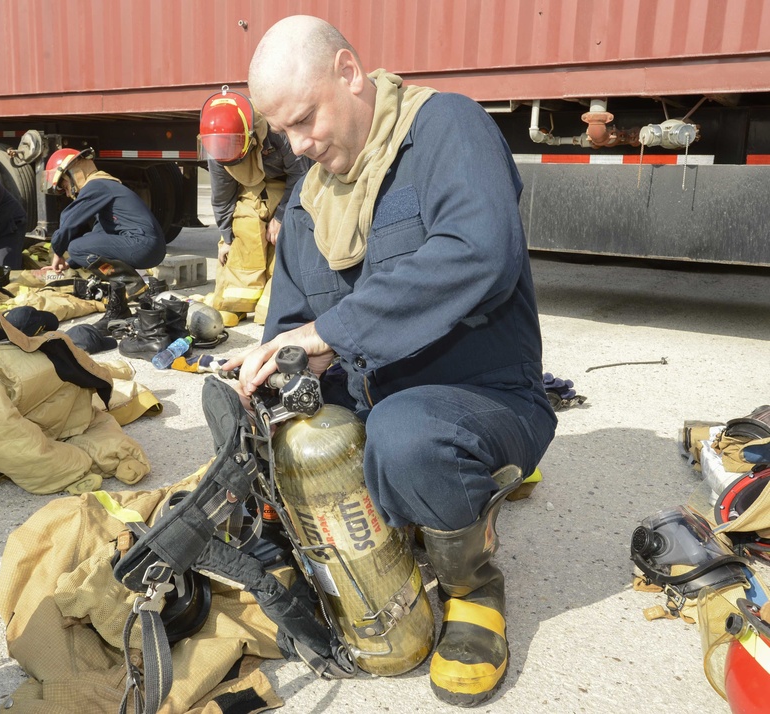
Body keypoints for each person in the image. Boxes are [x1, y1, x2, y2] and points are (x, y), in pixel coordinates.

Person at [226, 15, 557, 706]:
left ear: (349, 73)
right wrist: (280, 368)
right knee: (249, 415)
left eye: (306, 119)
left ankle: (472, 586)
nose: (298, 145)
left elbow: (480, 252)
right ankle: (397, 517)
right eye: (281, 132)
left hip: (483, 396)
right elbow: (292, 326)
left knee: (406, 437)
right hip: (377, 404)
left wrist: (334, 333)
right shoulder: (310, 206)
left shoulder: (448, 130)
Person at [198, 87, 311, 323]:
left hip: (292, 187)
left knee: (287, 233)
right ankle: (236, 302)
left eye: (233, 145)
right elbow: (222, 197)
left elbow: (301, 176)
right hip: (252, 190)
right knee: (245, 220)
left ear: (250, 135)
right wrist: (226, 239)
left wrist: (280, 218)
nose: (226, 152)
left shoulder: (277, 130)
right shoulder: (218, 145)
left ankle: (274, 301)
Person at [43, 148, 166, 271]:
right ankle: (121, 285)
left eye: (65, 187)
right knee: (84, 241)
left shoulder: (97, 185)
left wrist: (57, 251)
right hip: (151, 249)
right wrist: (70, 263)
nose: (67, 194)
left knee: (75, 247)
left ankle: (131, 285)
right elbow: (99, 234)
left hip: (142, 245)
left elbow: (70, 219)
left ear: (74, 173)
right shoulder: (106, 187)